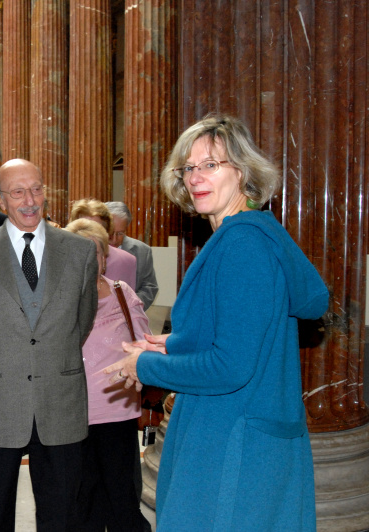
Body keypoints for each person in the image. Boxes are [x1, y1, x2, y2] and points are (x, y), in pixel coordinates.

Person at [103, 114, 329, 530]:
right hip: (240, 434)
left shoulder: (243, 244)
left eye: (211, 164)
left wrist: (146, 366)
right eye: (188, 167)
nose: (195, 177)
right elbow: (255, 324)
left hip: (233, 444)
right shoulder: (254, 232)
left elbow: (232, 366)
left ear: (242, 171)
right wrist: (174, 343)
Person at [0, 159, 98, 532]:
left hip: (60, 401)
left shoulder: (80, 251)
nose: (30, 200)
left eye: (36, 189)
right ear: (1, 200)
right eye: (18, 192)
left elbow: (82, 321)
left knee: (62, 514)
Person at [65, 219, 150, 532]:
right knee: (81, 502)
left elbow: (144, 342)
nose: (90, 259)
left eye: (96, 251)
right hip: (74, 415)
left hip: (117, 413)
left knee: (122, 498)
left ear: (105, 257)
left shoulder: (121, 292)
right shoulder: (58, 299)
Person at [69, 198, 137, 291]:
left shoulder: (125, 261)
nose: (89, 234)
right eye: (84, 228)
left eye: (96, 228)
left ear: (107, 230)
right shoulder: (60, 257)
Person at [104, 201, 159, 310]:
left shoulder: (142, 251)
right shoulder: (91, 248)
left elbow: (149, 288)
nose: (114, 239)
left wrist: (129, 307)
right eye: (110, 232)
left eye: (120, 233)